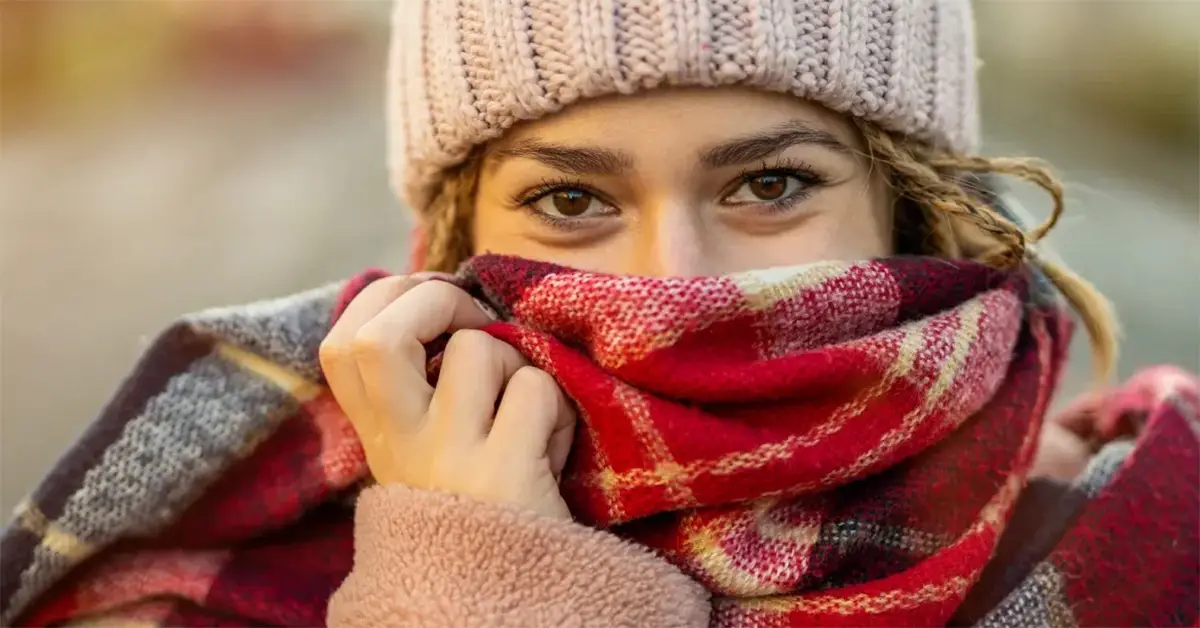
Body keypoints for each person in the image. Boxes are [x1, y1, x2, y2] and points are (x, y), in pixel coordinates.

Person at [3, 1, 1196, 627]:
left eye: (771, 183)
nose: (668, 278)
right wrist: (464, 570)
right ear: (457, 242)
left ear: (909, 208)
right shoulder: (262, 563)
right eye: (572, 197)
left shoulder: (1157, 541)